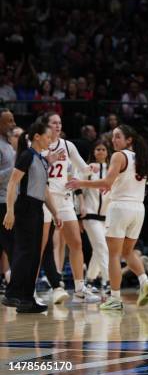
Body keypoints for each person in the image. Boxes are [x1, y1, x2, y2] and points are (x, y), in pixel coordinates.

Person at [67, 125, 148, 310]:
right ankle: (144, 280)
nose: (113, 140)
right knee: (127, 252)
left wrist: (80, 182)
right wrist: (112, 186)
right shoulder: (142, 157)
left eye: (118, 137)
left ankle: (114, 298)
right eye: (113, 137)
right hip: (138, 209)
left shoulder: (118, 156)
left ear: (128, 140)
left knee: (113, 254)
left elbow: (107, 182)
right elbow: (119, 182)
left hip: (120, 208)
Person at [1, 121, 63, 313]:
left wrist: (54, 212)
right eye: (47, 137)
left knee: (35, 255)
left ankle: (27, 299)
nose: (50, 141)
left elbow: (44, 191)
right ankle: (12, 294)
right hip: (25, 207)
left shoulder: (42, 159)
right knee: (25, 252)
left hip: (37, 208)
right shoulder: (27, 156)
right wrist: (10, 210)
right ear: (36, 137)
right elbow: (12, 183)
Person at [39, 113, 100, 303]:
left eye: (59, 122)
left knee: (76, 243)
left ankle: (80, 290)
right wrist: (48, 158)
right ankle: (30, 290)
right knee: (39, 247)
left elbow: (82, 168)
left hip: (65, 200)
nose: (57, 125)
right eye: (53, 123)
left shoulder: (67, 145)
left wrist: (91, 168)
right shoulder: (39, 144)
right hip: (44, 199)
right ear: (46, 125)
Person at [76, 141, 111, 293]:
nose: (101, 152)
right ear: (94, 151)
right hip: (89, 214)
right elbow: (78, 188)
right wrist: (80, 210)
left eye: (104, 149)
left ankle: (89, 280)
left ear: (107, 152)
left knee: (99, 249)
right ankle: (108, 281)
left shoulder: (112, 170)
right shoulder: (88, 168)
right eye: (98, 149)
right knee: (102, 247)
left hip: (107, 216)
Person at [0, 110, 16, 280]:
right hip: (1, 202)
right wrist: (14, 171)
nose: (12, 124)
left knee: (10, 245)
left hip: (10, 201)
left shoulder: (10, 143)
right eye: (8, 121)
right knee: (11, 245)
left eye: (13, 120)